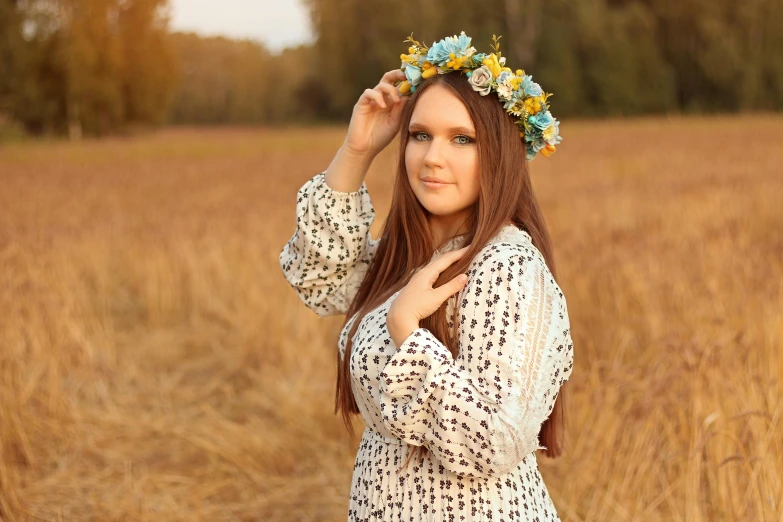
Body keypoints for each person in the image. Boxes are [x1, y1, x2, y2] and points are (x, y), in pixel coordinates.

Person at [279, 32, 574, 521]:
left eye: (462, 139)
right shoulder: (409, 258)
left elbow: (494, 444)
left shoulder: (507, 267)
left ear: (500, 153)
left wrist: (407, 332)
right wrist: (358, 150)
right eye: (420, 135)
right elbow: (317, 276)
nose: (432, 157)